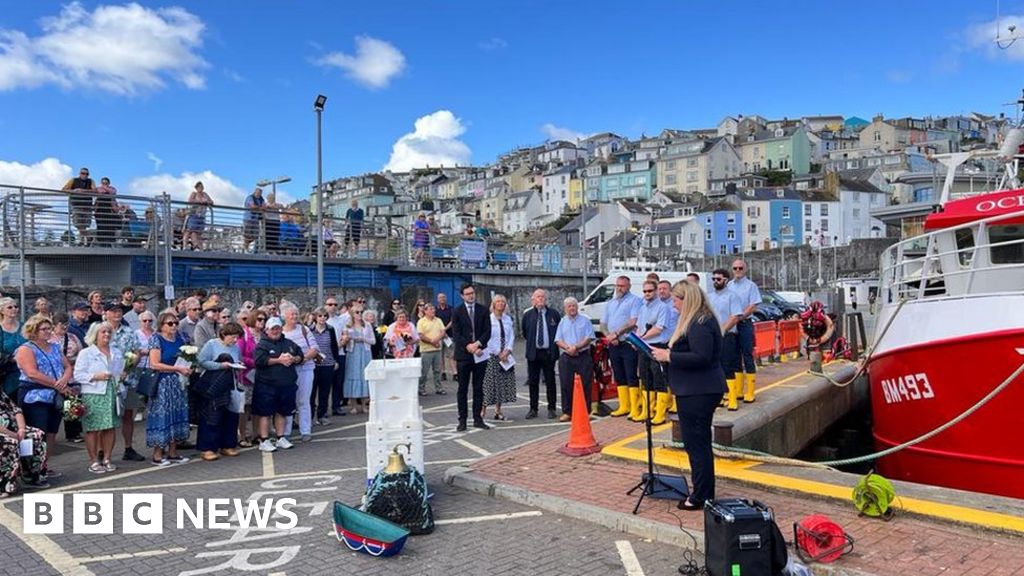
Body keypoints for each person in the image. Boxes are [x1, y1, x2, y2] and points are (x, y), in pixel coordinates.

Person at [651, 281, 726, 511]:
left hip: (698, 391)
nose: (673, 304)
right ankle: (703, 491)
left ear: (687, 299)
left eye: (676, 300)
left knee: (696, 445)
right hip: (695, 389)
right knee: (697, 443)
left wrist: (669, 357)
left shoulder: (700, 323)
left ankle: (700, 496)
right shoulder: (698, 319)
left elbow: (701, 356)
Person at [14, 314, 75, 480]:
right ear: (33, 331)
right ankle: (30, 469)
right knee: (37, 433)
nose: (48, 331)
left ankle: (44, 465)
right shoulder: (26, 349)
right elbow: (32, 373)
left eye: (49, 328)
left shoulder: (55, 346)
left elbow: (67, 366)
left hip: (56, 394)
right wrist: (58, 385)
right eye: (44, 329)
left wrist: (64, 380)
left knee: (52, 432)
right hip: (35, 396)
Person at [74, 322, 123, 474]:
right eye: (103, 332)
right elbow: (78, 375)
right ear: (95, 335)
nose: (107, 334)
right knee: (92, 428)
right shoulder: (86, 353)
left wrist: (122, 375)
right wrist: (96, 376)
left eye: (109, 332)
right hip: (93, 393)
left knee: (110, 426)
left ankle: (107, 458)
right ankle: (94, 460)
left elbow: (119, 371)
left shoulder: (116, 351)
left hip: (112, 392)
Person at [145, 312, 192, 467]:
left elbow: (187, 358)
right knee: (163, 416)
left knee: (177, 415)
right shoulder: (156, 339)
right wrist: (177, 368)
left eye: (175, 323)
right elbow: (154, 364)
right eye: (170, 323)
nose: (174, 326)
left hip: (178, 383)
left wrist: (188, 366)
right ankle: (157, 454)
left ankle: (173, 452)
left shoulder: (180, 338)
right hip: (163, 383)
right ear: (161, 325)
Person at [195, 322, 244, 461]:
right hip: (213, 387)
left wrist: (238, 365)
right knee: (211, 417)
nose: (235, 340)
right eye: (233, 337)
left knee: (230, 416)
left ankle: (227, 445)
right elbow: (202, 361)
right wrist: (220, 365)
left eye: (237, 337)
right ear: (224, 334)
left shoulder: (235, 347)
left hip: (229, 386)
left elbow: (238, 360)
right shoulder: (212, 344)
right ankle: (207, 448)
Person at [254, 317, 302, 452]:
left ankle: (281, 437)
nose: (276, 331)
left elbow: (300, 355)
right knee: (265, 413)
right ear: (267, 330)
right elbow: (259, 361)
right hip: (267, 384)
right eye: (273, 329)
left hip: (286, 384)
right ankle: (264, 440)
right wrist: (278, 360)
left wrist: (294, 359)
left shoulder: (289, 343)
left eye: (278, 328)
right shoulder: (262, 345)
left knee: (282, 412)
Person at [106, 303, 145, 461]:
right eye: (113, 311)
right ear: (106, 313)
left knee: (128, 414)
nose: (117, 314)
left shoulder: (129, 332)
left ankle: (128, 448)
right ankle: (104, 451)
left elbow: (137, 353)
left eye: (119, 311)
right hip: (107, 380)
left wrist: (127, 369)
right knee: (108, 416)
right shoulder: (100, 330)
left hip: (128, 379)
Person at [451, 283, 491, 431]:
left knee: (478, 387)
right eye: (468, 294)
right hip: (464, 355)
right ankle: (462, 420)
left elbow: (487, 331)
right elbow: (456, 333)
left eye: (472, 293)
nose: (471, 296)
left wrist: (478, 344)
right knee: (462, 388)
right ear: (462, 296)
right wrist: (468, 346)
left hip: (480, 354)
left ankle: (477, 418)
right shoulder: (457, 311)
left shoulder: (483, 310)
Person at [602, 276, 642, 419]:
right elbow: (603, 324)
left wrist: (617, 334)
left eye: (622, 286)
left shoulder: (635, 301)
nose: (619, 288)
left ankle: (635, 407)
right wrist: (609, 336)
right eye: (617, 285)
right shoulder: (610, 303)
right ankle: (624, 405)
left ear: (629, 286)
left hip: (627, 343)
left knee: (631, 374)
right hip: (613, 344)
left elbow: (633, 322)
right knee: (619, 374)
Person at [281, 301, 320, 443]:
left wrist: (303, 358)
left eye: (296, 314)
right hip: (288, 371)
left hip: (306, 368)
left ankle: (306, 430)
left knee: (303, 400)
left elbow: (314, 348)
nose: (295, 316)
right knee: (289, 400)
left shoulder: (304, 329)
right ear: (284, 316)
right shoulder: (281, 332)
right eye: (292, 314)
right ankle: (286, 431)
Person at [634, 280, 671, 425]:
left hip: (657, 345)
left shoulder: (663, 307)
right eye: (645, 291)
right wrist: (637, 339)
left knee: (659, 378)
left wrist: (642, 337)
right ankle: (647, 411)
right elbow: (639, 326)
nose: (647, 294)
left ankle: (660, 413)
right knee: (645, 377)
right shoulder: (643, 307)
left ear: (655, 291)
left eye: (650, 291)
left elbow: (659, 328)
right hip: (644, 345)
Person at [554, 297, 596, 422]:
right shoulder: (562, 322)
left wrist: (576, 347)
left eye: (574, 306)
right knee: (566, 384)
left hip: (583, 355)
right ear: (565, 309)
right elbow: (558, 340)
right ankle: (567, 412)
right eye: (569, 306)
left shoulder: (585, 320)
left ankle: (586, 411)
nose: (572, 308)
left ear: (577, 307)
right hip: (567, 356)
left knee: (585, 384)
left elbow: (589, 337)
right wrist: (568, 348)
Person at [708, 269, 744, 411]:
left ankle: (732, 398)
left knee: (727, 366)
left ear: (726, 280)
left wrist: (722, 331)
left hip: (727, 335)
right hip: (712, 336)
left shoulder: (732, 296)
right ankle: (719, 396)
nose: (715, 281)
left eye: (718, 279)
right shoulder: (709, 297)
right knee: (715, 367)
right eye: (714, 279)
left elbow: (735, 317)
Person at [0, 390, 48, 495]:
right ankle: (5, 484)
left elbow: (16, 410)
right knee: (10, 443)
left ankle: (31, 476)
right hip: (4, 432)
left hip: (14, 429)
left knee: (37, 435)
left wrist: (21, 429)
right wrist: (11, 434)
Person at [522, 289, 560, 419]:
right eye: (538, 297)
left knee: (550, 381)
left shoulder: (554, 314)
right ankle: (533, 409)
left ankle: (552, 408)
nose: (541, 299)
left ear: (546, 299)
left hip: (548, 353)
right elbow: (525, 333)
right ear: (533, 300)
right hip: (534, 353)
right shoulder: (528, 315)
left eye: (543, 297)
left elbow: (558, 332)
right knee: (533, 382)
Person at [728, 259, 762, 403]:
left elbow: (753, 306)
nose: (737, 271)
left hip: (744, 323)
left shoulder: (751, 286)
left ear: (745, 269)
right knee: (734, 356)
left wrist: (740, 316)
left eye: (740, 268)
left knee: (747, 355)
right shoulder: (729, 285)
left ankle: (750, 391)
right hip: (732, 324)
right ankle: (738, 390)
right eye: (735, 268)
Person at [50, 312, 84, 443]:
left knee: (72, 404)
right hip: (57, 376)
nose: (64, 327)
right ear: (54, 325)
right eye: (61, 325)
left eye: (66, 324)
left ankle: (73, 433)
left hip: (73, 376)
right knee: (59, 404)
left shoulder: (73, 337)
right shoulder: (49, 339)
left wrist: (74, 361)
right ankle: (52, 432)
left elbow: (81, 353)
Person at [481, 294, 516, 421]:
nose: (501, 303)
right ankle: (482, 411)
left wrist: (508, 350)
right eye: (498, 301)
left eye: (503, 302)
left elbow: (511, 336)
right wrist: (498, 352)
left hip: (506, 355)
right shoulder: (488, 319)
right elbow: (487, 337)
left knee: (502, 383)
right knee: (488, 384)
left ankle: (498, 410)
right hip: (492, 355)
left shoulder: (508, 319)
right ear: (493, 304)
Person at [237, 311, 264, 447]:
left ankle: (256, 434)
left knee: (257, 406)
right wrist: (254, 362)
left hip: (260, 375)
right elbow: (239, 355)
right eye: (259, 319)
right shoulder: (244, 334)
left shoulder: (264, 335)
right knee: (245, 407)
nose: (262, 321)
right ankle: (242, 435)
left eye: (264, 319)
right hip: (246, 375)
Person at [309, 308, 339, 425]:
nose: (322, 318)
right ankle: (310, 416)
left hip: (328, 363)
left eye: (325, 316)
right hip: (313, 364)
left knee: (325, 391)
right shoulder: (309, 330)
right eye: (320, 316)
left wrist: (335, 360)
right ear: (315, 317)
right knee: (312, 392)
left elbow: (334, 346)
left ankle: (322, 415)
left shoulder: (330, 329)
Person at [343, 310, 374, 414]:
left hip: (365, 352)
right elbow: (344, 339)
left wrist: (363, 339)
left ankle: (364, 405)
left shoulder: (367, 325)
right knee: (353, 375)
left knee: (364, 376)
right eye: (357, 312)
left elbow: (373, 341)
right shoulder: (347, 325)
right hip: (353, 353)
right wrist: (349, 339)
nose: (359, 314)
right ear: (352, 314)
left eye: (361, 312)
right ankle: (354, 406)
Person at [324, 296, 348, 417]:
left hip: (340, 353)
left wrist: (338, 346)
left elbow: (345, 335)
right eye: (330, 304)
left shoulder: (341, 320)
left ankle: (336, 406)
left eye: (335, 304)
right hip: (326, 355)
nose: (333, 307)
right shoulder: (322, 320)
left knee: (338, 382)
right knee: (326, 383)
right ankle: (323, 409)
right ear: (325, 306)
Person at [416, 304, 446, 396]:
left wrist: (436, 340)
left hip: (437, 349)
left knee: (437, 370)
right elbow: (421, 335)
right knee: (424, 371)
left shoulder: (438, 320)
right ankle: (421, 388)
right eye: (430, 309)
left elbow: (443, 332)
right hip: (426, 350)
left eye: (433, 309)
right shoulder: (421, 321)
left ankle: (439, 388)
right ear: (425, 311)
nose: (433, 310)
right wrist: (432, 342)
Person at [0, 297, 25, 398]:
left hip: (26, 371)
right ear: (2, 310)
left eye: (15, 306)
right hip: (7, 374)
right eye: (10, 307)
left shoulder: (25, 327)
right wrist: (11, 358)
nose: (14, 309)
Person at [62, 167, 94, 245]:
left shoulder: (91, 181)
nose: (85, 175)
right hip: (76, 205)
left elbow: (95, 191)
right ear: (79, 174)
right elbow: (64, 189)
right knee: (77, 223)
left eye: (87, 174)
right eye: (83, 173)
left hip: (87, 206)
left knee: (84, 224)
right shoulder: (73, 180)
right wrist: (74, 191)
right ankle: (88, 237)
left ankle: (82, 241)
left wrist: (83, 191)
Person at [184, 181, 213, 250]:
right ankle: (187, 246)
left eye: (202, 187)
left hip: (202, 216)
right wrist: (199, 202)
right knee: (190, 231)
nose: (201, 188)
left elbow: (211, 201)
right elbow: (190, 201)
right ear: (196, 188)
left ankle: (199, 247)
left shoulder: (205, 194)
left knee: (198, 233)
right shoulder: (194, 194)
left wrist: (207, 202)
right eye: (200, 187)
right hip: (194, 215)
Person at [93, 177, 120, 246]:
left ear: (109, 183)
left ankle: (109, 243)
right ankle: (101, 243)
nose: (104, 184)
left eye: (106, 183)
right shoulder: (98, 188)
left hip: (109, 211)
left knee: (110, 227)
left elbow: (113, 192)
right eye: (103, 183)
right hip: (99, 211)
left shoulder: (112, 188)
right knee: (100, 227)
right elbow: (94, 192)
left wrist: (104, 188)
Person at [435, 293, 454, 382]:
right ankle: (443, 373)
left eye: (443, 297)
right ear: (437, 299)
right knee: (440, 355)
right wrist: (442, 332)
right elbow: (434, 321)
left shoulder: (451, 308)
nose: (442, 299)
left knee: (451, 355)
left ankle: (455, 373)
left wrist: (444, 329)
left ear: (446, 298)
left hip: (449, 335)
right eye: (440, 297)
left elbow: (452, 320)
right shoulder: (435, 309)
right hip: (438, 335)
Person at [243, 187, 265, 253]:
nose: (259, 194)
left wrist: (260, 208)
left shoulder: (261, 199)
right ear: (255, 192)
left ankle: (253, 249)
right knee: (247, 235)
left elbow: (264, 207)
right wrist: (260, 208)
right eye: (258, 193)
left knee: (255, 235)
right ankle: (245, 248)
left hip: (256, 219)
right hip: (249, 218)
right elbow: (252, 206)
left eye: (260, 193)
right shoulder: (250, 198)